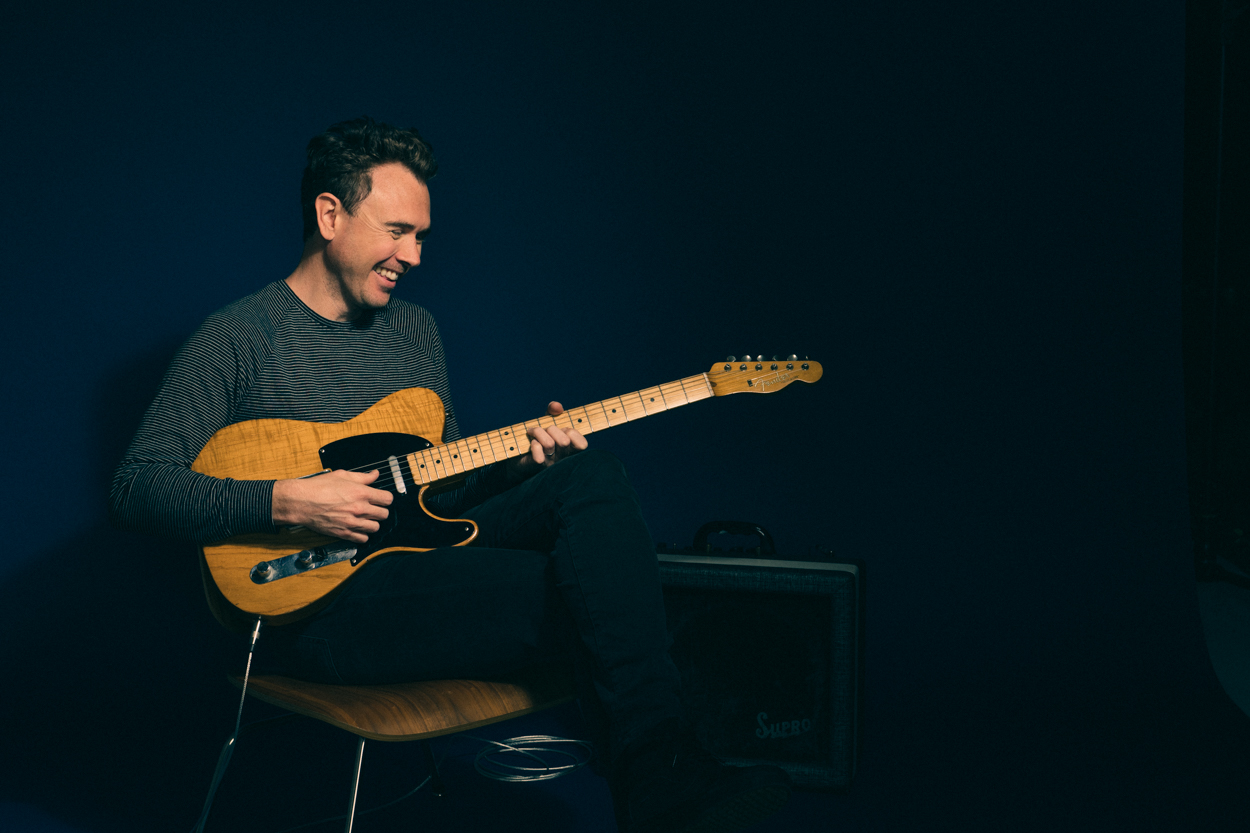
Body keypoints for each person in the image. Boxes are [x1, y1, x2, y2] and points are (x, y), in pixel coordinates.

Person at [110, 116, 791, 833]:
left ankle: (660, 775)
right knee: (593, 593)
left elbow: (448, 493)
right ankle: (661, 781)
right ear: (330, 215)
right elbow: (137, 488)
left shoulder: (416, 331)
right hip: (319, 606)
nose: (414, 255)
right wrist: (290, 501)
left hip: (422, 560)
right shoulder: (239, 337)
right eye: (398, 231)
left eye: (422, 236)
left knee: (593, 476)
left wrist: (525, 465)